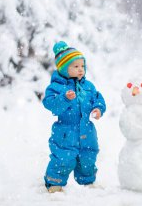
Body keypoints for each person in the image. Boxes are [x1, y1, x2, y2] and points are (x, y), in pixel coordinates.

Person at [42, 41, 106, 193]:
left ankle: (87, 181)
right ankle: (54, 183)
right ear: (64, 68)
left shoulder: (88, 86)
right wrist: (64, 98)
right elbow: (50, 104)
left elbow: (97, 98)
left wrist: (98, 108)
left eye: (82, 66)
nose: (80, 70)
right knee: (63, 157)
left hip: (87, 130)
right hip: (65, 131)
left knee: (88, 155)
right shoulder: (56, 87)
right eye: (75, 66)